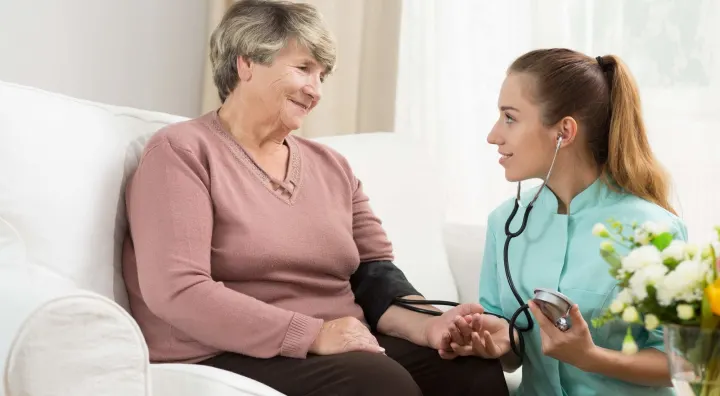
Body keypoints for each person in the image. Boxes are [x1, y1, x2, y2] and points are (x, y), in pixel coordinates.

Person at [121, 0, 508, 395]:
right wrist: (312, 334)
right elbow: (177, 291)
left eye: (322, 76)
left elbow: (374, 276)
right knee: (376, 384)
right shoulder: (182, 151)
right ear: (246, 64)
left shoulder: (331, 166)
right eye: (304, 68)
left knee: (469, 370)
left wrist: (431, 326)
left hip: (334, 341)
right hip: (222, 351)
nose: (315, 91)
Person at [439, 48, 687, 395]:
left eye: (509, 117)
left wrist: (590, 357)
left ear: (564, 132)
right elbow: (507, 342)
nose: (493, 135)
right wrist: (498, 344)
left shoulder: (654, 231)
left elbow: (679, 363)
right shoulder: (504, 223)